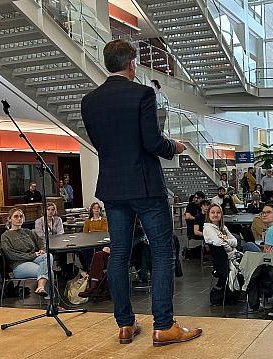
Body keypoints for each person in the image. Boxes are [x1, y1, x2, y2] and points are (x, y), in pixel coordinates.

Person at [80, 39, 200, 345]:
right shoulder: (143, 94)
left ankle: (125, 325)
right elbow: (151, 142)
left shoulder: (89, 101)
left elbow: (101, 144)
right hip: (145, 186)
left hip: (112, 186)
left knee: (119, 253)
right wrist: (174, 146)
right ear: (131, 63)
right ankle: (163, 325)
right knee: (161, 251)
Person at [1, 208, 53, 298]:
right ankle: (50, 300)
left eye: (21, 216)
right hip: (19, 264)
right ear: (9, 219)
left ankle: (41, 288)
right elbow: (11, 255)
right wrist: (32, 255)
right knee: (48, 271)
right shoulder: (6, 236)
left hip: (34, 259)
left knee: (48, 256)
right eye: (16, 216)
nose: (19, 219)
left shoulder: (28, 232)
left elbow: (41, 242)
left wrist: (42, 249)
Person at [203, 204, 241, 289]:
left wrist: (226, 241)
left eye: (218, 212)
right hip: (224, 261)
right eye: (213, 212)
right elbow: (218, 242)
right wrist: (229, 245)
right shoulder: (208, 229)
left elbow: (235, 242)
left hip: (232, 255)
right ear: (208, 215)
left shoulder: (223, 228)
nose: (215, 215)